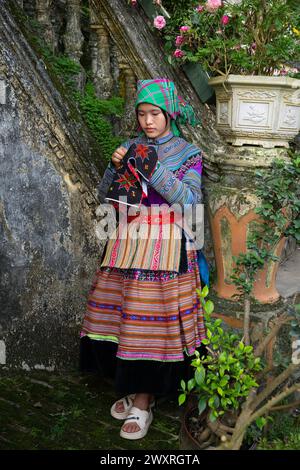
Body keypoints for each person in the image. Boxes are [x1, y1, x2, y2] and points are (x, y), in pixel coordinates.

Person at [80, 78, 206, 440]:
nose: (148, 121)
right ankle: (133, 388)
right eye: (141, 113)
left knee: (153, 325)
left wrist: (153, 169)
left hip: (166, 249)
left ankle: (144, 403)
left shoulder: (188, 153)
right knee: (125, 316)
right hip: (128, 242)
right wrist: (113, 165)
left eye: (155, 113)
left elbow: (191, 202)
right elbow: (107, 195)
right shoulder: (129, 145)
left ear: (169, 114)